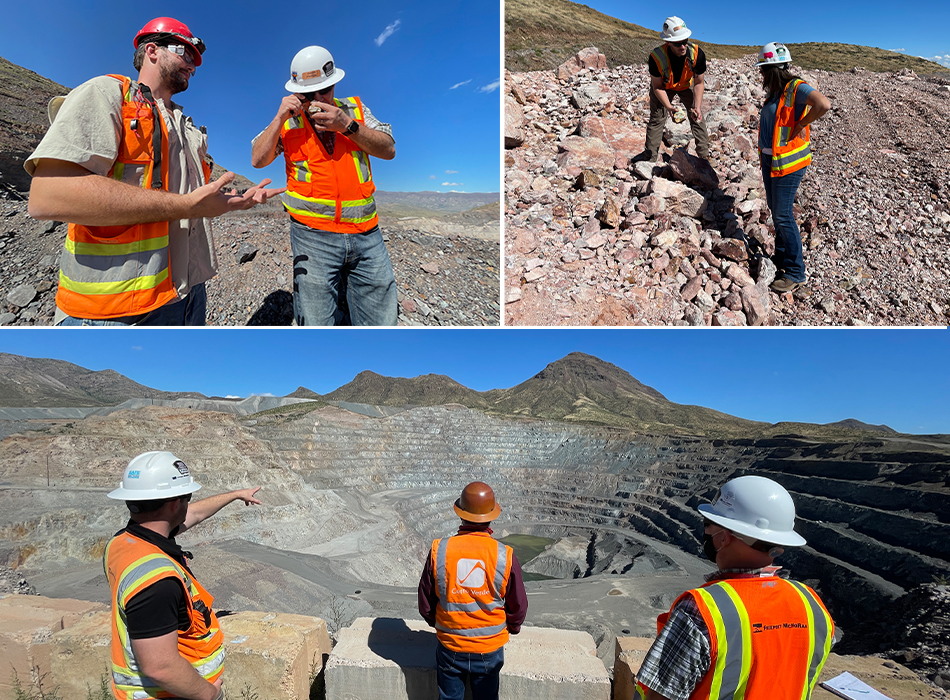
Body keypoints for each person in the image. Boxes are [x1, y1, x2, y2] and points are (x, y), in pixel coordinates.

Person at [26, 17, 284, 326]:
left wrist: (237, 202)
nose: (193, 65)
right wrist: (186, 206)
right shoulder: (105, 94)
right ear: (152, 50)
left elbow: (191, 201)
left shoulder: (186, 128)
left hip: (185, 293)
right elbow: (48, 196)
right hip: (113, 312)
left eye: (196, 60)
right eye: (185, 54)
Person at [633, 475, 835, 700]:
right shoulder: (811, 604)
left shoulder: (702, 609)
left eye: (709, 525)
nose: (707, 534)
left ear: (723, 538)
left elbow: (659, 696)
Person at [251, 46, 398, 326]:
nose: (317, 100)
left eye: (325, 91)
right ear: (296, 93)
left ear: (334, 85)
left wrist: (347, 125)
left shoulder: (355, 110)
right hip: (312, 236)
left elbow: (389, 149)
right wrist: (278, 118)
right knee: (316, 321)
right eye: (308, 95)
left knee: (382, 321)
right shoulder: (288, 120)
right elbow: (258, 159)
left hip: (366, 231)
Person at [103, 451, 262, 700]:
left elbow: (195, 514)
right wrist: (209, 694)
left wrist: (234, 495)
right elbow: (160, 666)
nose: (189, 504)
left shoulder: (123, 543)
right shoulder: (157, 583)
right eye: (187, 497)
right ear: (175, 504)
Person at [418, 482, 528, 700]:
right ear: (491, 516)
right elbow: (518, 605)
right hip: (489, 649)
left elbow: (426, 603)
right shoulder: (504, 555)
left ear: (461, 514)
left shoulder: (440, 550)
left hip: (450, 646)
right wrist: (513, 627)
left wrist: (440, 623)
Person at [755, 43, 831, 293]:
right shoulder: (776, 93)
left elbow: (823, 104)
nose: (762, 75)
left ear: (773, 70)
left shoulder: (795, 88)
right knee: (777, 212)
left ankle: (796, 272)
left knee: (783, 214)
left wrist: (801, 124)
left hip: (788, 163)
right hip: (771, 160)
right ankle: (781, 259)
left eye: (764, 71)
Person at [639, 17, 710, 163]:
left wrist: (696, 106)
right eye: (678, 44)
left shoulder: (697, 54)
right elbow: (657, 86)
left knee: (697, 116)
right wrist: (669, 107)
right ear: (668, 42)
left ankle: (704, 156)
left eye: (685, 41)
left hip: (685, 86)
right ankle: (650, 158)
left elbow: (699, 82)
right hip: (664, 88)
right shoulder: (656, 57)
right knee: (657, 119)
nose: (683, 46)